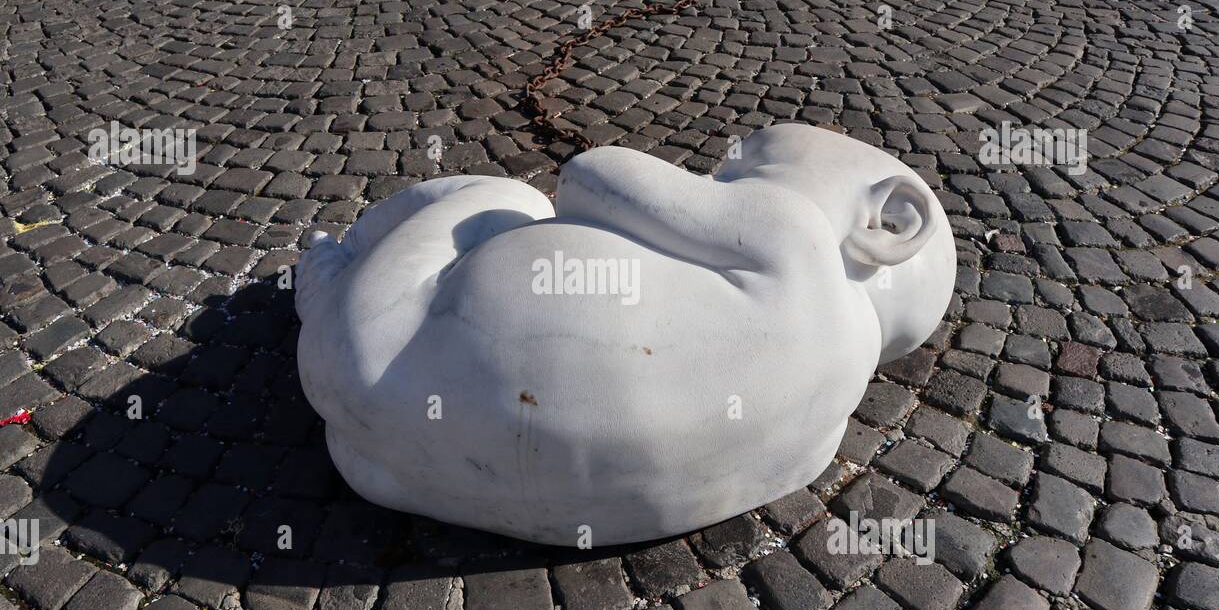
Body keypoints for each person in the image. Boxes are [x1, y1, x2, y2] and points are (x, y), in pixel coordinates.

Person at [297, 123, 956, 545]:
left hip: (370, 351)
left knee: (505, 199)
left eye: (748, 163)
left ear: (892, 219)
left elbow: (591, 177)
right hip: (394, 467)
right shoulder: (821, 435)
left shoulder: (797, 234)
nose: (722, 175)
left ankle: (337, 261)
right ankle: (338, 300)